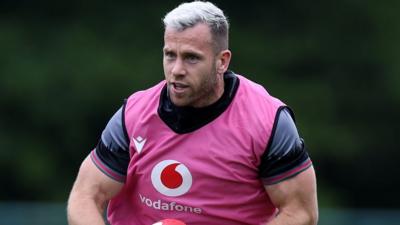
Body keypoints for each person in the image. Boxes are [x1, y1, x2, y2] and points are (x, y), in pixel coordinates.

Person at [67, 1, 318, 225]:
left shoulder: (267, 121)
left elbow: (300, 212)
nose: (176, 69)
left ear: (222, 61)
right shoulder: (134, 115)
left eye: (191, 58)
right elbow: (85, 196)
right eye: (169, 55)